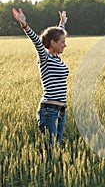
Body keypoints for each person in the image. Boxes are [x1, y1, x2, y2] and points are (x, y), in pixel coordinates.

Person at [12, 8, 69, 150]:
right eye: (62, 42)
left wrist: (61, 23)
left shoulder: (56, 57)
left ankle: (55, 171)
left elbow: (57, 34)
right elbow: (37, 42)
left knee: (57, 148)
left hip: (61, 110)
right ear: (52, 43)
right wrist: (24, 25)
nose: (65, 45)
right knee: (51, 149)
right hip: (49, 110)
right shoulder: (45, 57)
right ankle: (50, 171)